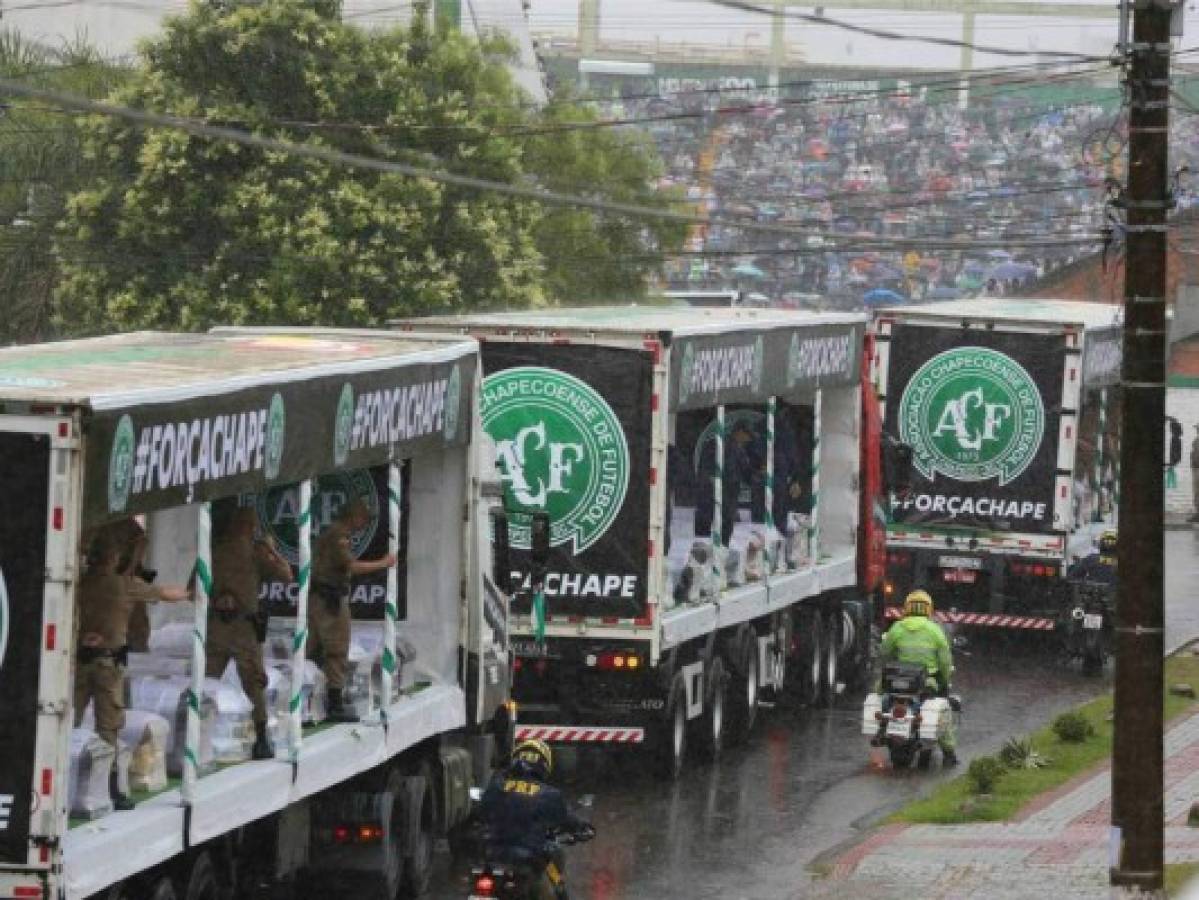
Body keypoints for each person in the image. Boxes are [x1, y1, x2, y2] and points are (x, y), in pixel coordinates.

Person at [75, 525, 190, 809]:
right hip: (107, 664)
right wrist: (191, 594)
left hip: (77, 662)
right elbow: (166, 593)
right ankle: (112, 789)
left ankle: (70, 778)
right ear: (113, 557)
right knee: (109, 728)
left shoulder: (77, 582)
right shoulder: (122, 585)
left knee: (71, 722)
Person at [207, 507, 293, 759]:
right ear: (248, 527)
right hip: (241, 629)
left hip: (220, 625)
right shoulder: (256, 553)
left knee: (209, 683)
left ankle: (202, 735)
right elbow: (287, 575)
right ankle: (261, 738)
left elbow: (194, 589)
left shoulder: (215, 551)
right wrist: (272, 549)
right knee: (253, 683)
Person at [309, 498, 396, 723]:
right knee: (337, 649)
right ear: (354, 517)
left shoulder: (332, 533)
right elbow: (351, 566)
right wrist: (383, 563)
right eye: (363, 518)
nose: (365, 523)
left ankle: (317, 697)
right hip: (330, 600)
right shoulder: (339, 537)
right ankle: (334, 703)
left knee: (317, 648)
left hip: (321, 598)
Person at [479, 739, 592, 900]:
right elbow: (567, 820)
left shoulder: (496, 786)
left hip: (493, 855)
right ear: (545, 765)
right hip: (531, 859)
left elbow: (481, 812)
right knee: (555, 877)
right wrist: (582, 828)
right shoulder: (550, 795)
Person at [879, 589, 958, 766]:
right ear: (929, 608)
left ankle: (882, 730)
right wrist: (944, 680)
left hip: (896, 683)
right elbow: (945, 661)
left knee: (881, 697)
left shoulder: (897, 628)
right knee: (943, 712)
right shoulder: (935, 630)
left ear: (907, 607)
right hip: (926, 682)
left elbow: (884, 654)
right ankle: (949, 753)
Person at [1190, 424, 1199, 523]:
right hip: (1195, 469)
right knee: (1196, 492)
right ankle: (1197, 513)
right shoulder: (1195, 441)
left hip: (1197, 469)